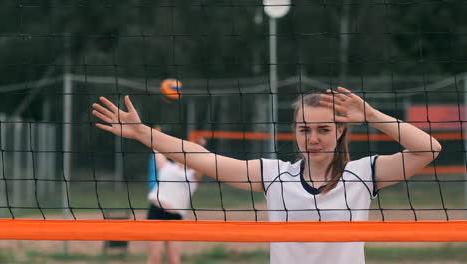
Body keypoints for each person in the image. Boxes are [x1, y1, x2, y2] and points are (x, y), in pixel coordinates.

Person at [92, 86, 441, 264]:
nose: (313, 137)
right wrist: (141, 133)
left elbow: (429, 149)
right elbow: (202, 157)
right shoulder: (275, 175)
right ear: (295, 132)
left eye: (323, 129)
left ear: (339, 132)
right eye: (305, 129)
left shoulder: (363, 174)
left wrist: (371, 114)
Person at [145, 135, 205, 264]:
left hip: (176, 218)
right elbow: (156, 146)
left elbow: (202, 161)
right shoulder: (166, 166)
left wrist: (197, 146)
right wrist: (155, 133)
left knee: (174, 260)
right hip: (156, 213)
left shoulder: (192, 175)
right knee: (155, 257)